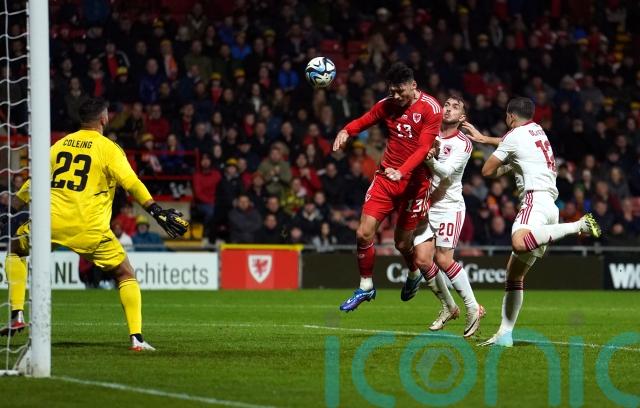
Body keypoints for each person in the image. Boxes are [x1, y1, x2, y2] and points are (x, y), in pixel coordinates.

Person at [0, 98, 189, 351]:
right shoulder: (108, 148)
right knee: (125, 274)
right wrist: (154, 209)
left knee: (15, 250)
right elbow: (132, 183)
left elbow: (33, 182)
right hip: (89, 228)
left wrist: (12, 208)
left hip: (50, 223)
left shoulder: (59, 145)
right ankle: (137, 339)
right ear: (104, 118)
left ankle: (17, 314)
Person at [463, 97, 601, 347]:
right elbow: (513, 144)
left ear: (511, 116)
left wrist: (505, 165)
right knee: (514, 275)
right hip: (550, 207)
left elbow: (487, 171)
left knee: (518, 242)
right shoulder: (537, 130)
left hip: (533, 201)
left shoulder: (514, 136)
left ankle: (578, 225)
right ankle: (505, 335)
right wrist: (485, 139)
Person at [332, 62, 442, 312]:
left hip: (415, 183)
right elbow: (366, 120)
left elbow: (423, 149)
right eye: (392, 91)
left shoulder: (431, 108)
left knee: (402, 244)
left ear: (413, 86)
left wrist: (402, 171)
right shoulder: (388, 104)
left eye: (400, 91)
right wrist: (346, 131)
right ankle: (366, 286)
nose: (395, 96)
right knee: (363, 233)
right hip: (385, 178)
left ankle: (413, 273)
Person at [401, 96, 485, 337]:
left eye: (455, 107)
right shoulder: (429, 133)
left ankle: (473, 308)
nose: (448, 109)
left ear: (462, 117)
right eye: (446, 104)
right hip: (426, 203)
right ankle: (449, 307)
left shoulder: (463, 143)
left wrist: (428, 157)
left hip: (449, 206)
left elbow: (446, 173)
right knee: (422, 259)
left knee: (444, 259)